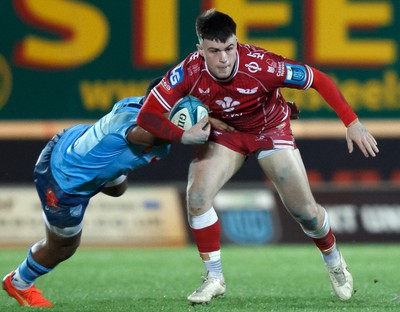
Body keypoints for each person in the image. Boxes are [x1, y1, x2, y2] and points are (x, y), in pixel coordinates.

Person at [136, 9, 379, 304]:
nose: (224, 58)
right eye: (214, 51)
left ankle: (333, 258)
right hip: (226, 135)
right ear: (200, 50)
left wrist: (351, 122)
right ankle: (214, 278)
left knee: (306, 214)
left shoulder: (263, 65)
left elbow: (318, 79)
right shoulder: (187, 72)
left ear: (236, 42)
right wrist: (183, 136)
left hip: (269, 130)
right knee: (197, 197)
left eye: (229, 48)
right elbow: (146, 115)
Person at [1, 77, 174, 307]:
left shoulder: (141, 108)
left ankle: (104, 170)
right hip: (62, 180)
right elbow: (165, 135)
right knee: (63, 247)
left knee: (118, 189)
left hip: (70, 141)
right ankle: (19, 282)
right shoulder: (139, 128)